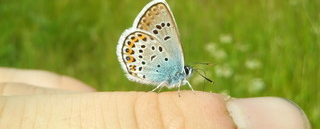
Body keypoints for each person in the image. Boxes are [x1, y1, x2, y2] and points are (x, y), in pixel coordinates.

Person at [0, 67, 311, 129]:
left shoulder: (182, 77)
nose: (190, 75)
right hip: (154, 66)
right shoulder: (179, 74)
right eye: (190, 72)